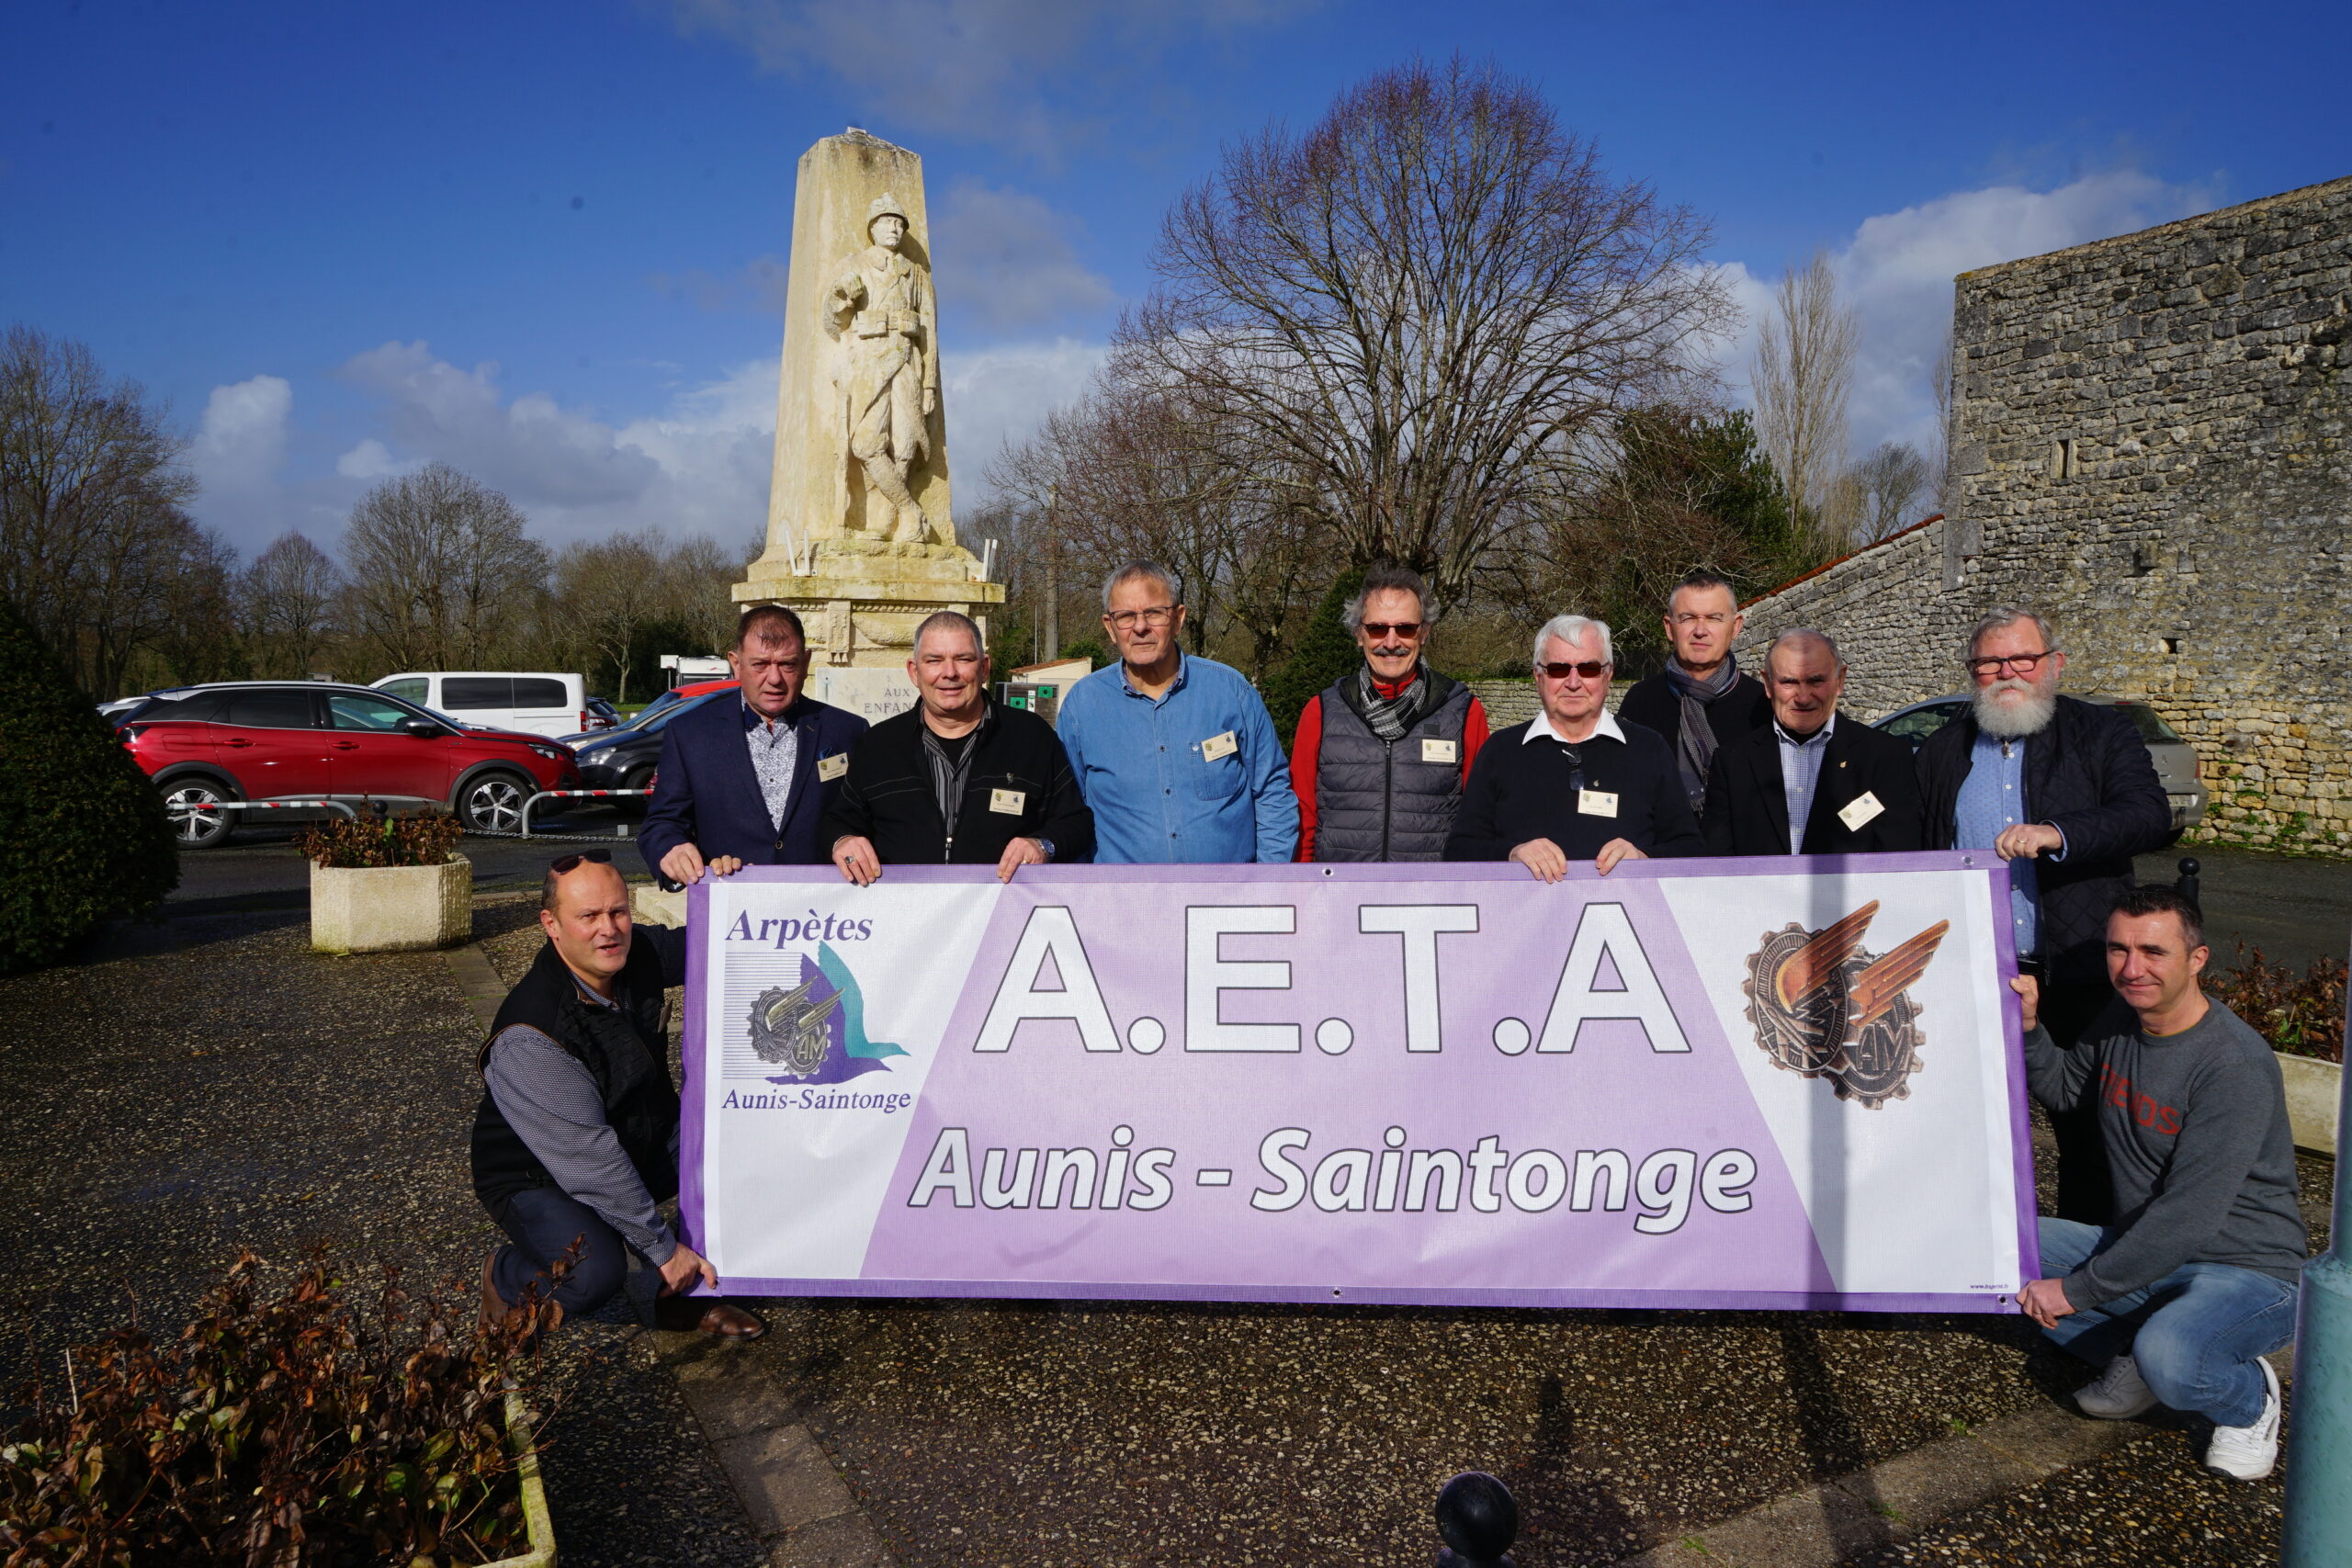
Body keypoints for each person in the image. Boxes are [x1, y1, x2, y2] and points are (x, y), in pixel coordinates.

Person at [2012, 886, 2306, 1481]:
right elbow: (2068, 1088)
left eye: (2153, 951)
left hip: (2248, 1268)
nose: (2132, 967)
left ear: (2197, 959)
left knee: (2174, 1354)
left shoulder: (2233, 1064)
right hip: (2150, 1247)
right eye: (2118, 949)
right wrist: (2029, 1027)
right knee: (2003, 1252)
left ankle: (2249, 1398)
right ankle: (2141, 1352)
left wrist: (2075, 1291)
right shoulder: (2124, 1016)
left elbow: (2187, 1217)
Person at [1918, 606, 2171, 1222]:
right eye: (1989, 662)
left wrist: (2057, 833)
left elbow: (2149, 814)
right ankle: (1979, 1257)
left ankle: (2087, 1275)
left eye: (2022, 659)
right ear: (1971, 672)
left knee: (2087, 1134)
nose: (2008, 672)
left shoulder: (2099, 733)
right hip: (1973, 970)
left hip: (2078, 967)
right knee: (1964, 1126)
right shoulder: (1943, 748)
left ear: (2053, 663)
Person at [472, 851, 763, 1338]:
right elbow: (591, 1162)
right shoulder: (534, 1031)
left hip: (634, 1134)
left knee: (745, 1148)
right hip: (538, 1176)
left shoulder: (636, 952)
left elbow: (720, 940)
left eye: (618, 911)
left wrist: (742, 889)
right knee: (593, 1273)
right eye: (588, 916)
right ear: (552, 924)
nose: (608, 929)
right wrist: (663, 1250)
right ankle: (505, 1275)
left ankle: (685, 1301)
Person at [1056, 561, 1298, 864]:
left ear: (1178, 618)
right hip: (1124, 905)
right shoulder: (1082, 706)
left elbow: (1272, 791)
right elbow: (1067, 812)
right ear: (1110, 627)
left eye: (1154, 613)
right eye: (1126, 617)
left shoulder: (1231, 692)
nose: (1140, 627)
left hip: (1226, 902)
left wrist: (1267, 884)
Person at [824, 612, 1093, 883]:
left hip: (1004, 913)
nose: (949, 673)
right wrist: (842, 841)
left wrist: (1043, 845)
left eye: (963, 659)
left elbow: (1076, 823)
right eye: (934, 661)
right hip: (904, 915)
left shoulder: (1032, 737)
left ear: (985, 667)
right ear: (914, 672)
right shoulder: (878, 744)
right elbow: (839, 821)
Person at [1444, 615, 1703, 878]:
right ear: (1538, 676)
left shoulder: (1649, 748)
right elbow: (1459, 850)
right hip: (1525, 916)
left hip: (1624, 914)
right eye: (1558, 669)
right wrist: (1511, 853)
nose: (1573, 682)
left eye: (1588, 669)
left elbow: (1690, 847)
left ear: (1608, 675)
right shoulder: (1501, 751)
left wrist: (1644, 857)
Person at [639, 604, 868, 890]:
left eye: (787, 664)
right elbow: (662, 823)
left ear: (806, 662)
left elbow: (865, 816)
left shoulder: (847, 731)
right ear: (736, 663)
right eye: (760, 664)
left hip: (824, 909)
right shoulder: (689, 733)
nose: (774, 679)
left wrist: (847, 840)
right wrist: (670, 849)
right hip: (732, 910)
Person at [1288, 566, 1491, 861]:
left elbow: (1480, 814)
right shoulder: (1321, 711)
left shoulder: (1463, 711)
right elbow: (1303, 813)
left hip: (1431, 896)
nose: (1391, 642)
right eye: (1378, 628)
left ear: (1424, 633)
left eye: (1405, 628)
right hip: (1341, 894)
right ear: (1359, 634)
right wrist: (1305, 887)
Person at [1702, 628, 1924, 856]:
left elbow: (1898, 861)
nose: (1803, 697)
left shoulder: (1886, 757)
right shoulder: (1732, 762)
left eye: (1816, 681)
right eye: (1789, 682)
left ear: (1840, 680)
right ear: (1767, 684)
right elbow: (1718, 864)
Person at [1616, 570, 1772, 821]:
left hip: (1741, 856)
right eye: (1688, 618)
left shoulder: (1763, 704)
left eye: (1714, 618)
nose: (1700, 630)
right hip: (1660, 853)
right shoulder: (1640, 702)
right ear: (1669, 628)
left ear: (1736, 627)